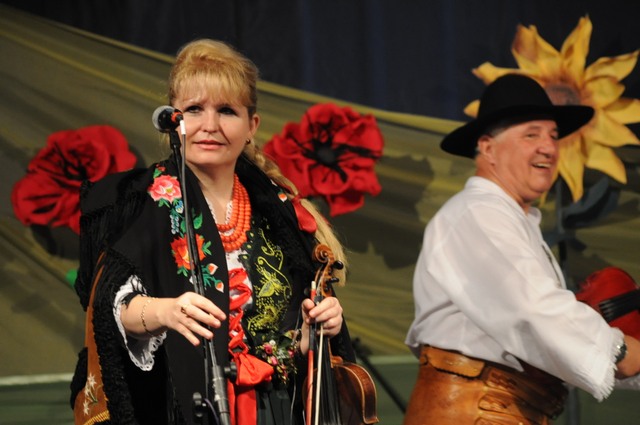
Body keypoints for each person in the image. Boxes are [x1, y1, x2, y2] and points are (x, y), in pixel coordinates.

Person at [70, 38, 354, 425]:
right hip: (186, 408)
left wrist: (314, 333)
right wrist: (165, 311)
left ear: (251, 126)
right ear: (173, 120)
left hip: (277, 410)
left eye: (226, 111)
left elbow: (292, 340)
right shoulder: (141, 203)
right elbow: (109, 310)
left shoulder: (280, 212)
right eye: (194, 109)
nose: (210, 126)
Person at [403, 74, 640, 425]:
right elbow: (534, 309)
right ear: (488, 148)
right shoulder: (478, 211)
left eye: (553, 136)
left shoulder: (509, 218)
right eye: (531, 135)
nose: (549, 148)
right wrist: (618, 350)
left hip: (500, 409)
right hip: (473, 412)